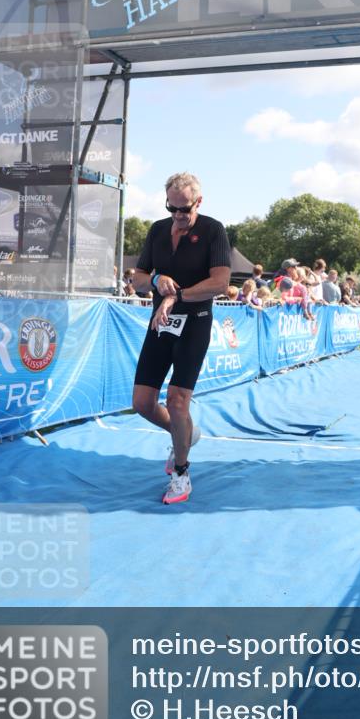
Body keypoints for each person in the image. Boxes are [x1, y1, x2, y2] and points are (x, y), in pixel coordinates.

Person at [131, 172, 231, 505]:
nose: (177, 215)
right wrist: (158, 278)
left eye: (184, 209)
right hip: (161, 323)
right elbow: (139, 279)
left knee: (177, 401)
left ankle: (182, 472)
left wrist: (179, 295)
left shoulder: (213, 230)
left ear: (198, 203)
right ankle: (185, 434)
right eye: (171, 208)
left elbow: (220, 283)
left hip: (195, 323)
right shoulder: (158, 230)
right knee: (143, 403)